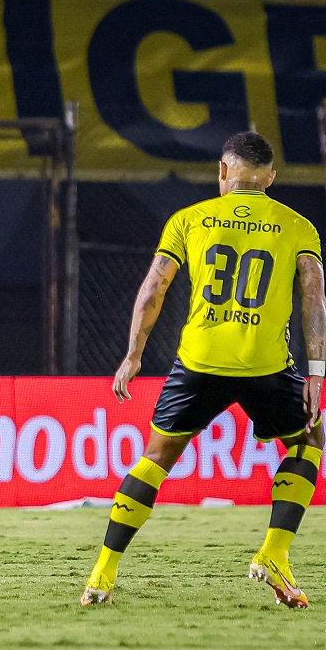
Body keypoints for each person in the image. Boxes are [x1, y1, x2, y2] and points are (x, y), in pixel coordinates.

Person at [81, 131, 325, 609]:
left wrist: (134, 354)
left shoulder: (188, 220)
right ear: (270, 179)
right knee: (309, 442)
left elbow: (154, 288)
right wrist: (317, 371)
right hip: (266, 365)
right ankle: (274, 553)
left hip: (198, 362)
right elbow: (314, 296)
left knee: (156, 458)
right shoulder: (298, 226)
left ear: (222, 172)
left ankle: (102, 573)